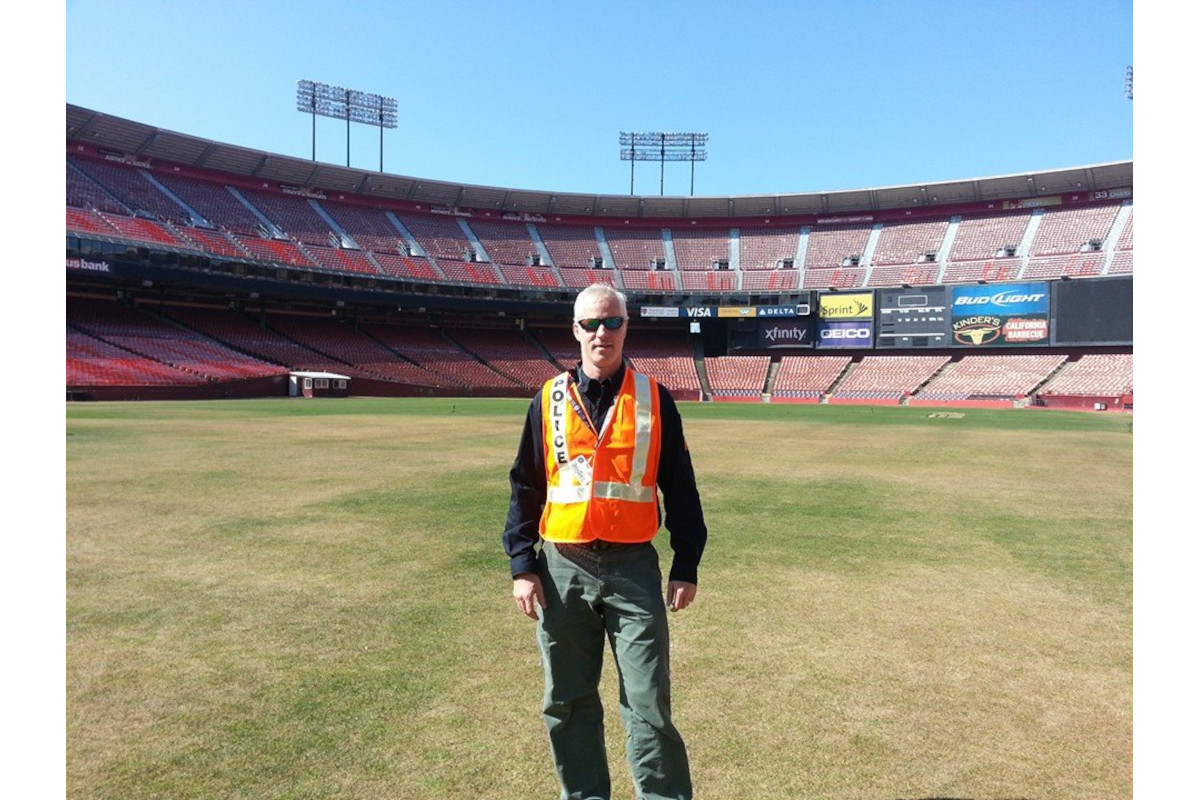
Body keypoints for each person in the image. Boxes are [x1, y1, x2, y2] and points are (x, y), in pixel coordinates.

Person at [502, 283, 708, 800]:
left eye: (612, 322)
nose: (602, 333)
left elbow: (679, 484)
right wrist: (522, 565)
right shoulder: (547, 399)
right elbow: (527, 484)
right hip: (561, 568)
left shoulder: (654, 398)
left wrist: (686, 562)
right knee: (567, 700)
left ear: (626, 327)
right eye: (591, 324)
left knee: (648, 703)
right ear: (575, 330)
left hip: (633, 568)